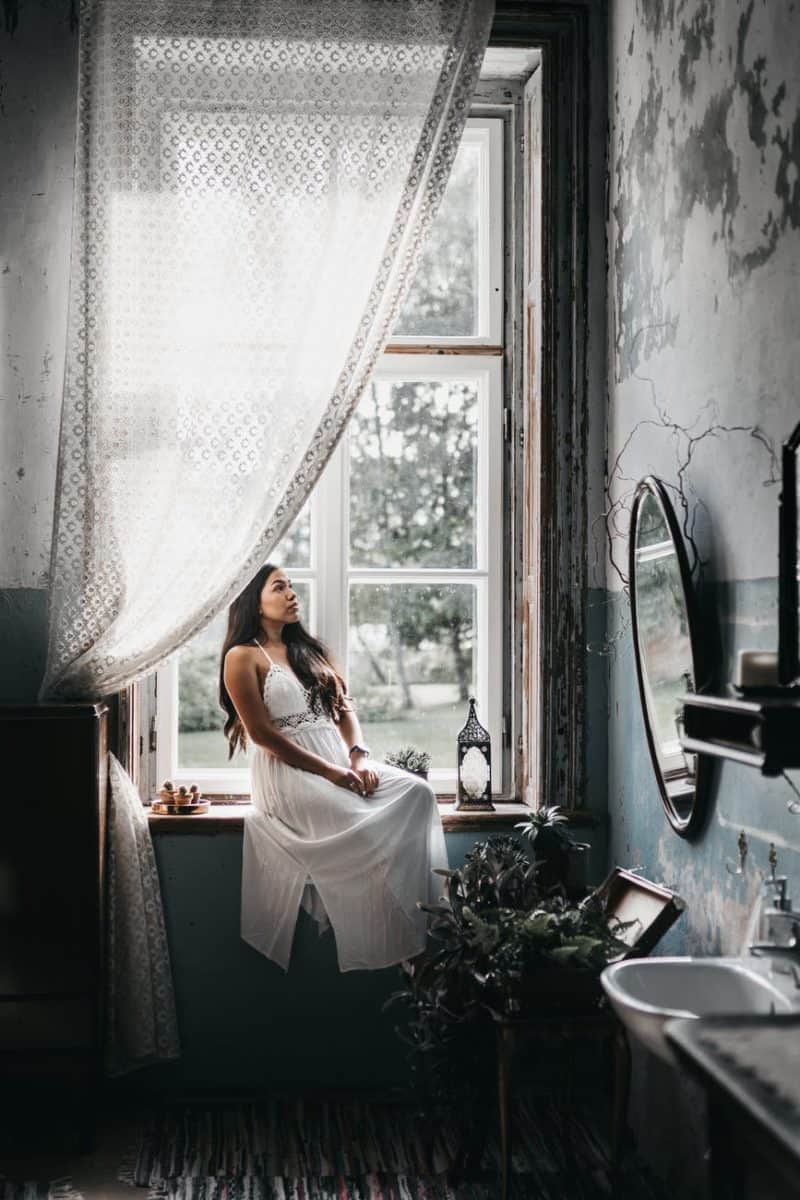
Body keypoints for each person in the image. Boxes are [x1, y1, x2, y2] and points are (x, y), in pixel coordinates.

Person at [220, 562, 449, 972]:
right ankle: (408, 955)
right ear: (254, 603)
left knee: (418, 794)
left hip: (338, 758)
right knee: (359, 823)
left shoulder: (310, 650)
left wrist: (358, 756)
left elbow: (343, 711)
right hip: (287, 773)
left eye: (292, 586)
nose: (292, 594)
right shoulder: (242, 657)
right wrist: (331, 773)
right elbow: (261, 735)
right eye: (279, 587)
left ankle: (425, 923)